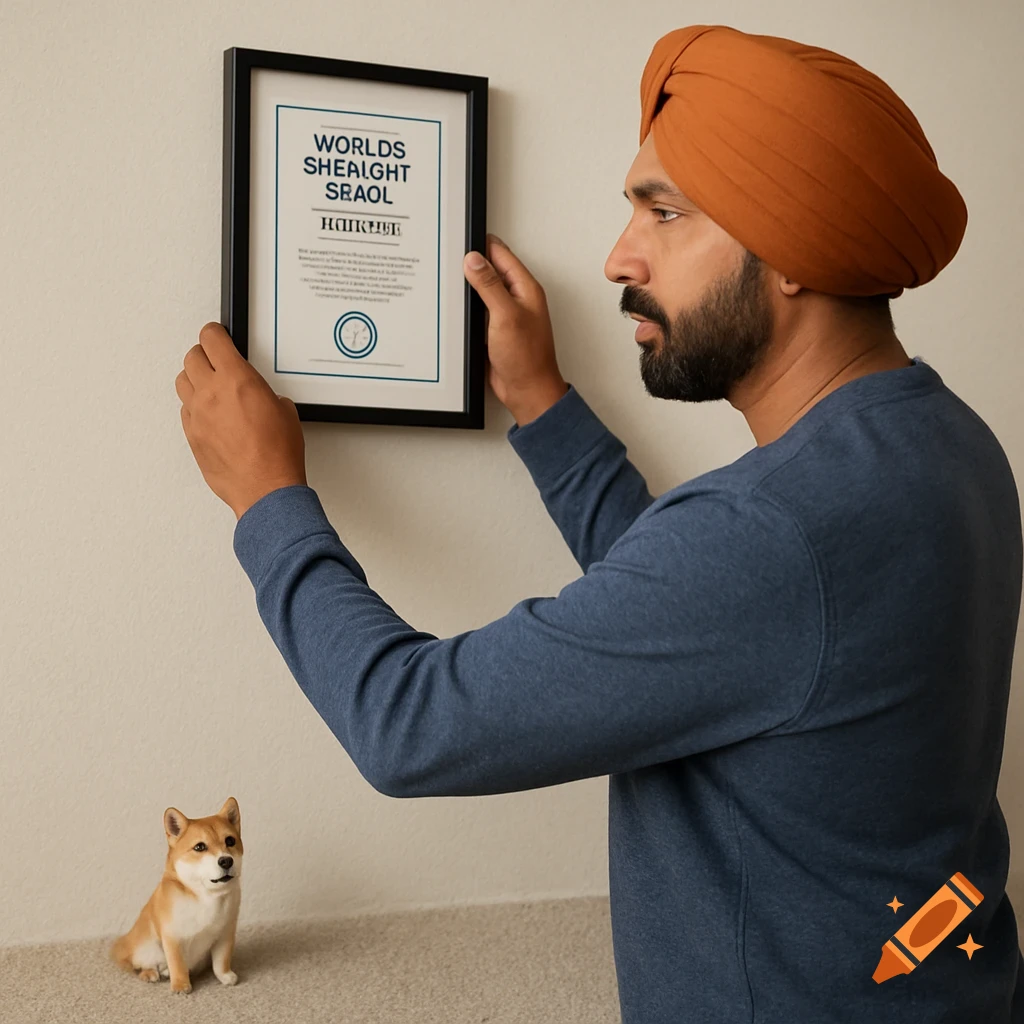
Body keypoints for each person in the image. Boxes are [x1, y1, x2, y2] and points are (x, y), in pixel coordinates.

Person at [189, 23, 1022, 1024]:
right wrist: (543, 407)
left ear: (795, 250)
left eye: (663, 211)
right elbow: (707, 616)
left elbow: (410, 726)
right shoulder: (944, 444)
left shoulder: (773, 532)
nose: (618, 253)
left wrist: (268, 501)